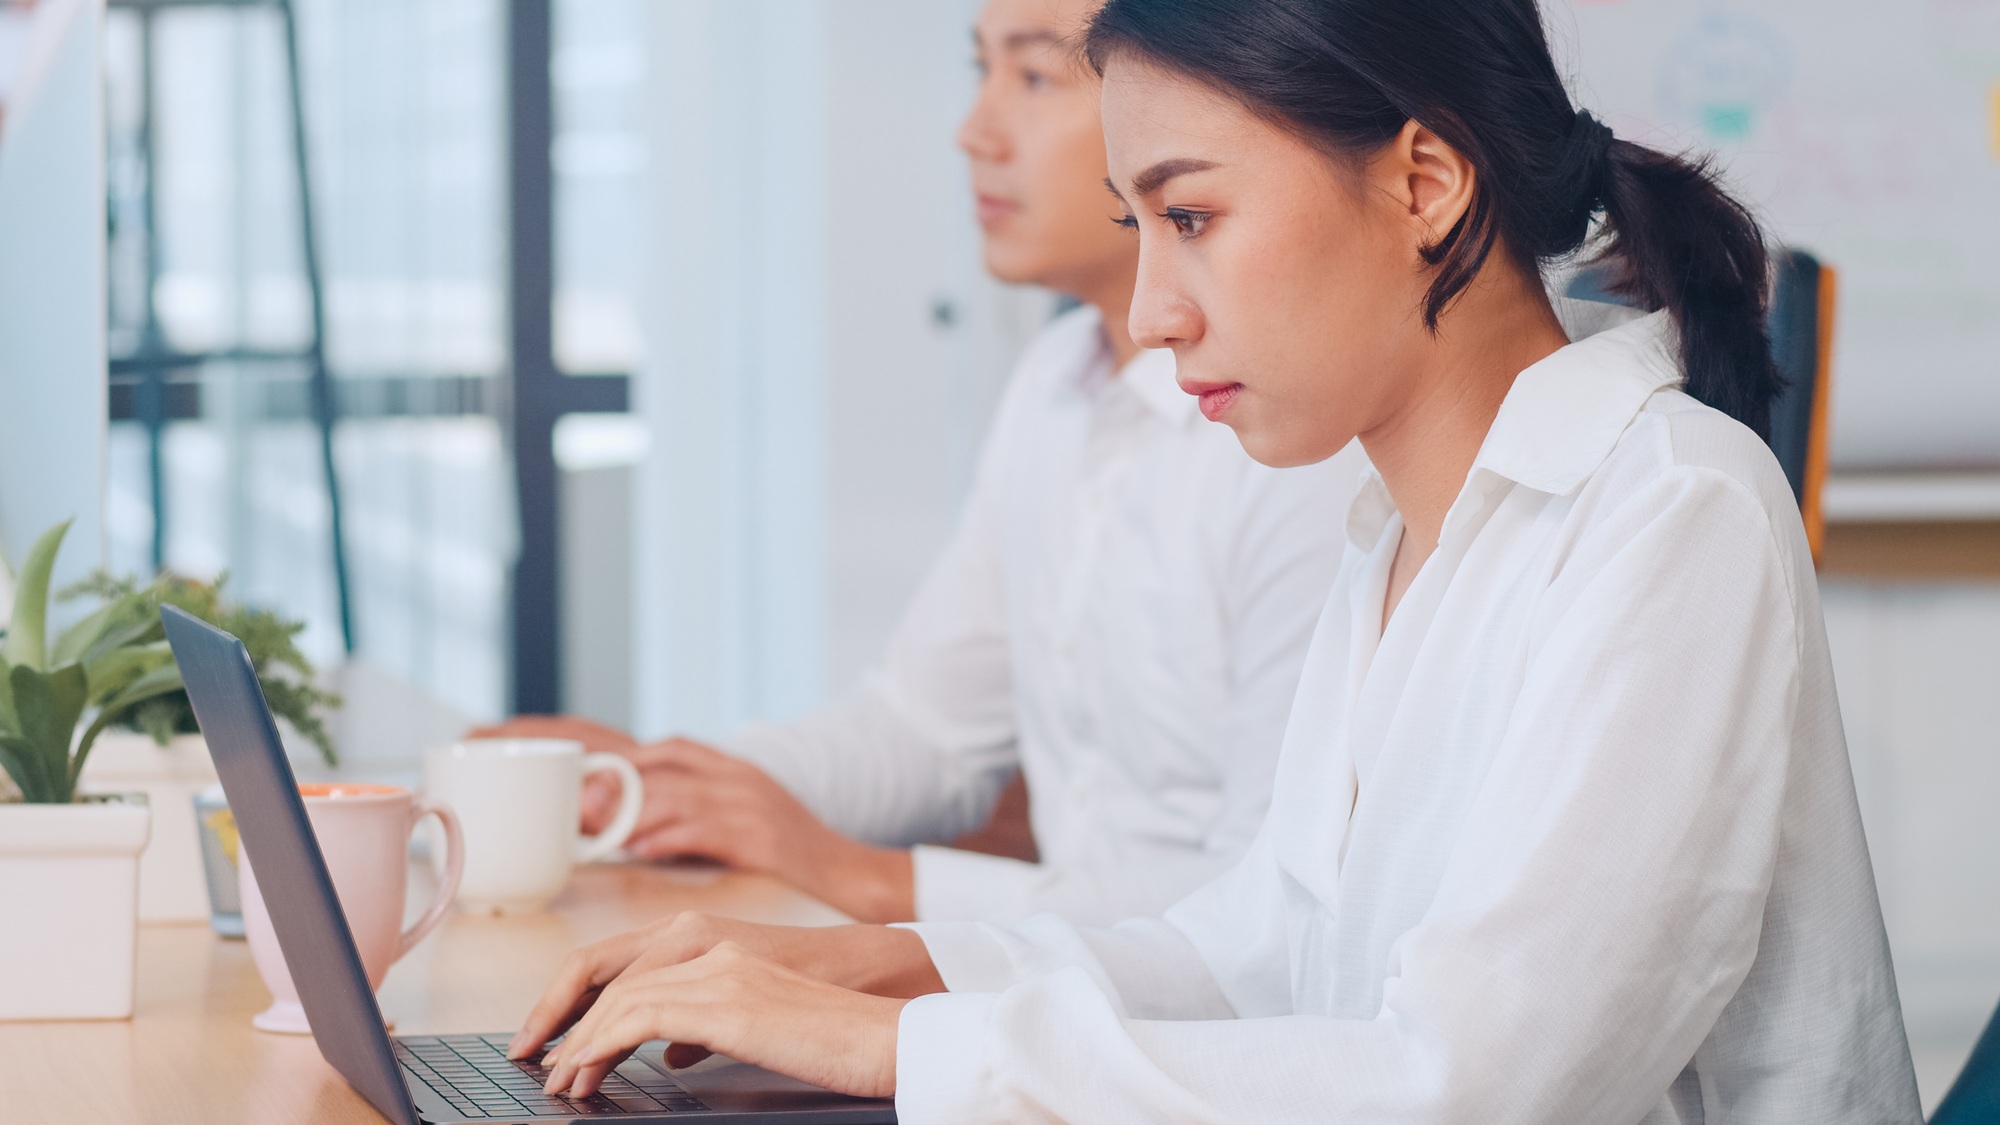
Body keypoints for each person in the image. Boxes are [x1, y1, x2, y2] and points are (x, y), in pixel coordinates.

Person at [501, 0, 1925, 1120]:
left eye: (1189, 217)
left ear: (1424, 181)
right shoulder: (1397, 534)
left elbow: (1467, 1084)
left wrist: (903, 1047)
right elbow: (1250, 958)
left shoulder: (1673, 512)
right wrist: (879, 969)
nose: (1152, 312)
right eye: (1140, 228)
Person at [478, 0, 1361, 927]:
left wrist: (868, 881)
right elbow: (928, 732)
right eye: (981, 69)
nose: (973, 131)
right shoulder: (1054, 383)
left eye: (1033, 75)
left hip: (1159, 1006)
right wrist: (672, 783)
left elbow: (1268, 908)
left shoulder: (1300, 436)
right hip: (1056, 990)